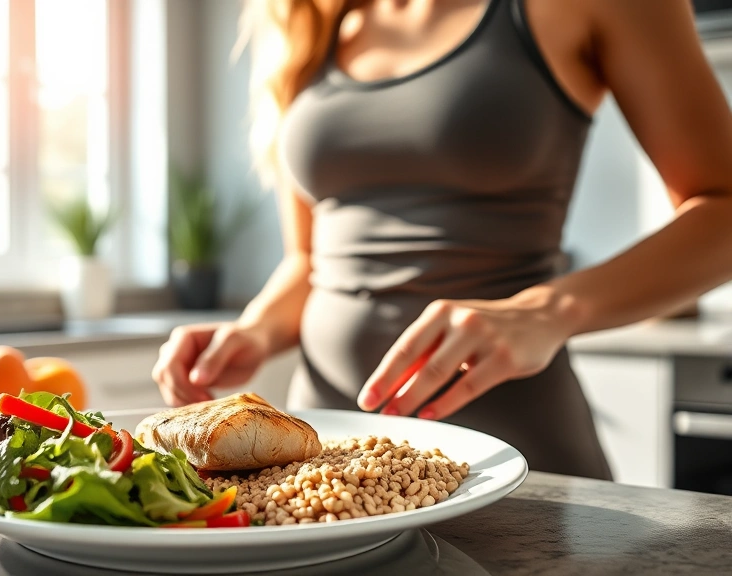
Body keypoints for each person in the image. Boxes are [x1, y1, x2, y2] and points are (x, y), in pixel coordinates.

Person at [152, 0, 732, 480]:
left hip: (508, 447)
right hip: (321, 461)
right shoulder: (308, 18)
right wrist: (255, 328)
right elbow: (310, 259)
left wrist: (548, 309)